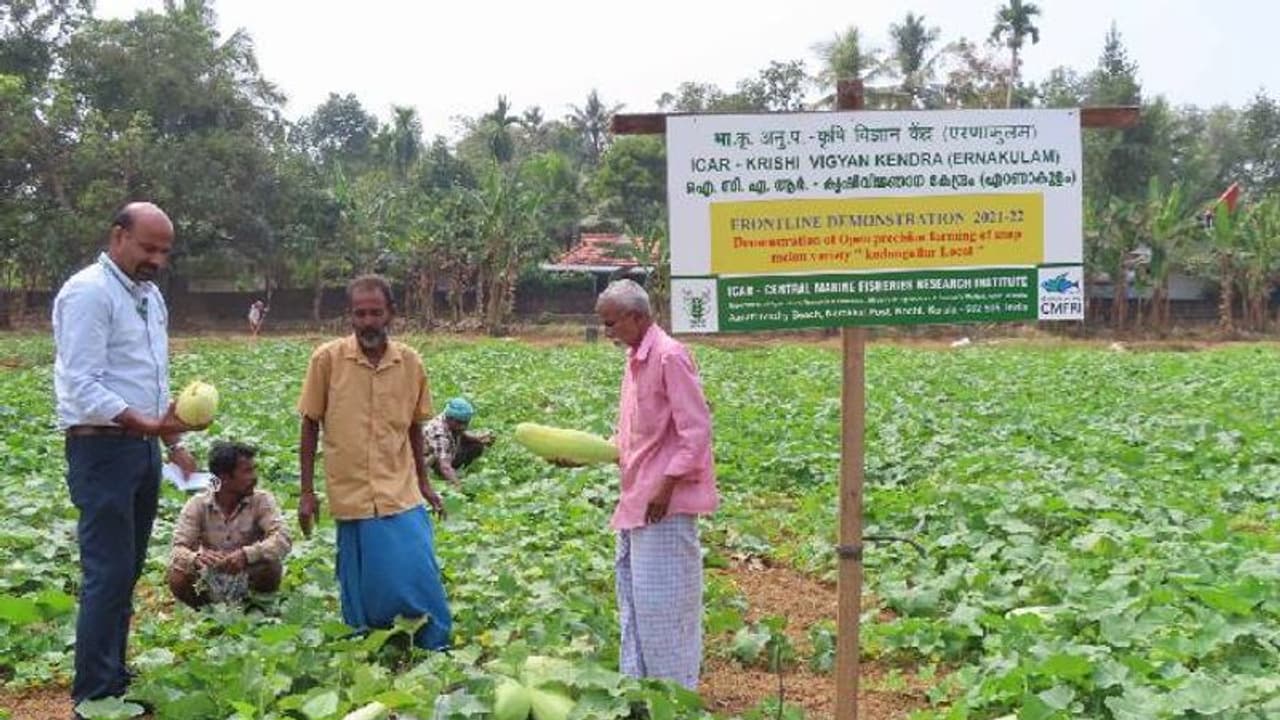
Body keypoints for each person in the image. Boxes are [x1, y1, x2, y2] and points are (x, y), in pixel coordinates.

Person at [52, 202, 206, 711]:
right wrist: (146, 425)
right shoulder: (88, 293)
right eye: (148, 248)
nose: (157, 260)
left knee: (129, 570)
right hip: (100, 449)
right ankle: (93, 696)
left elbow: (151, 383)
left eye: (164, 251)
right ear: (118, 236)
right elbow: (81, 382)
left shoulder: (150, 297)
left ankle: (113, 675)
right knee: (107, 572)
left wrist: (172, 443)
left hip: (140, 450)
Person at [296, 274, 452, 650]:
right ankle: (372, 642)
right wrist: (306, 492)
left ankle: (433, 641)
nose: (367, 321)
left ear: (391, 314)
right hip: (351, 490)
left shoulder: (410, 362)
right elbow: (309, 423)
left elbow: (415, 427)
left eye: (375, 313)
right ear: (349, 316)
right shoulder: (327, 360)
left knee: (417, 568)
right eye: (359, 313)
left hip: (400, 486)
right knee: (364, 580)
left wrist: (425, 482)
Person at [593, 278, 718, 689]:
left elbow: (695, 431)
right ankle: (642, 689)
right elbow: (634, 439)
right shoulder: (635, 360)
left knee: (666, 605)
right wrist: (577, 459)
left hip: (664, 504)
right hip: (637, 501)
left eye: (612, 324)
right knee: (636, 600)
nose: (607, 333)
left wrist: (664, 488)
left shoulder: (669, 357)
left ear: (638, 316)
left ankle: (675, 694)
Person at [167, 442, 291, 608]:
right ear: (224, 478)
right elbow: (177, 549)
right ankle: (206, 611)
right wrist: (196, 558)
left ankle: (256, 607)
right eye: (247, 471)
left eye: (254, 469)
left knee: (270, 566)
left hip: (248, 571)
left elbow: (283, 538)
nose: (254, 477)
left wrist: (247, 555)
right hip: (210, 574)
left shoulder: (261, 500)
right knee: (178, 576)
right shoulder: (198, 504)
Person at [423, 397, 495, 488]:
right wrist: (458, 486)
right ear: (451, 419)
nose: (464, 426)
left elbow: (462, 434)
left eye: (466, 422)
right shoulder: (439, 433)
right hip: (434, 461)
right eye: (461, 423)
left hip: (447, 450)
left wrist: (479, 439)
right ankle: (447, 476)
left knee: (477, 446)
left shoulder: (447, 418)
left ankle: (457, 471)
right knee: (443, 466)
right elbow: (444, 466)